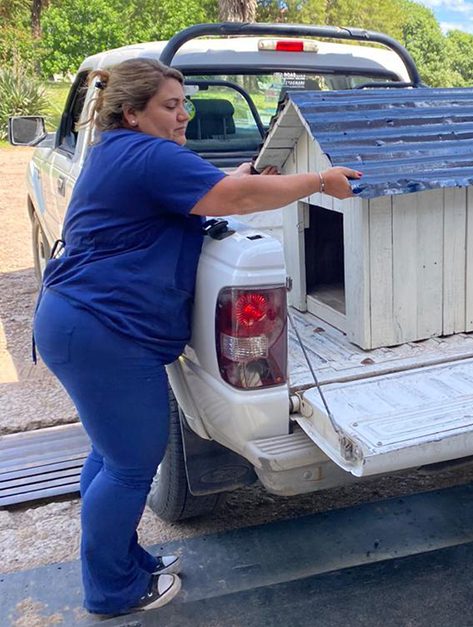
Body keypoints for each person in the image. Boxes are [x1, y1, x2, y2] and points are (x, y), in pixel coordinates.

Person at [32, 58, 360, 616]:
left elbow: (211, 191)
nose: (184, 114)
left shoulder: (122, 149)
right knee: (130, 465)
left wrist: (243, 176)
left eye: (184, 103)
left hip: (80, 321)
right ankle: (111, 589)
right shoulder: (149, 154)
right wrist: (319, 181)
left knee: (112, 455)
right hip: (104, 331)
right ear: (132, 113)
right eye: (170, 106)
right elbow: (236, 200)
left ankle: (124, 560)